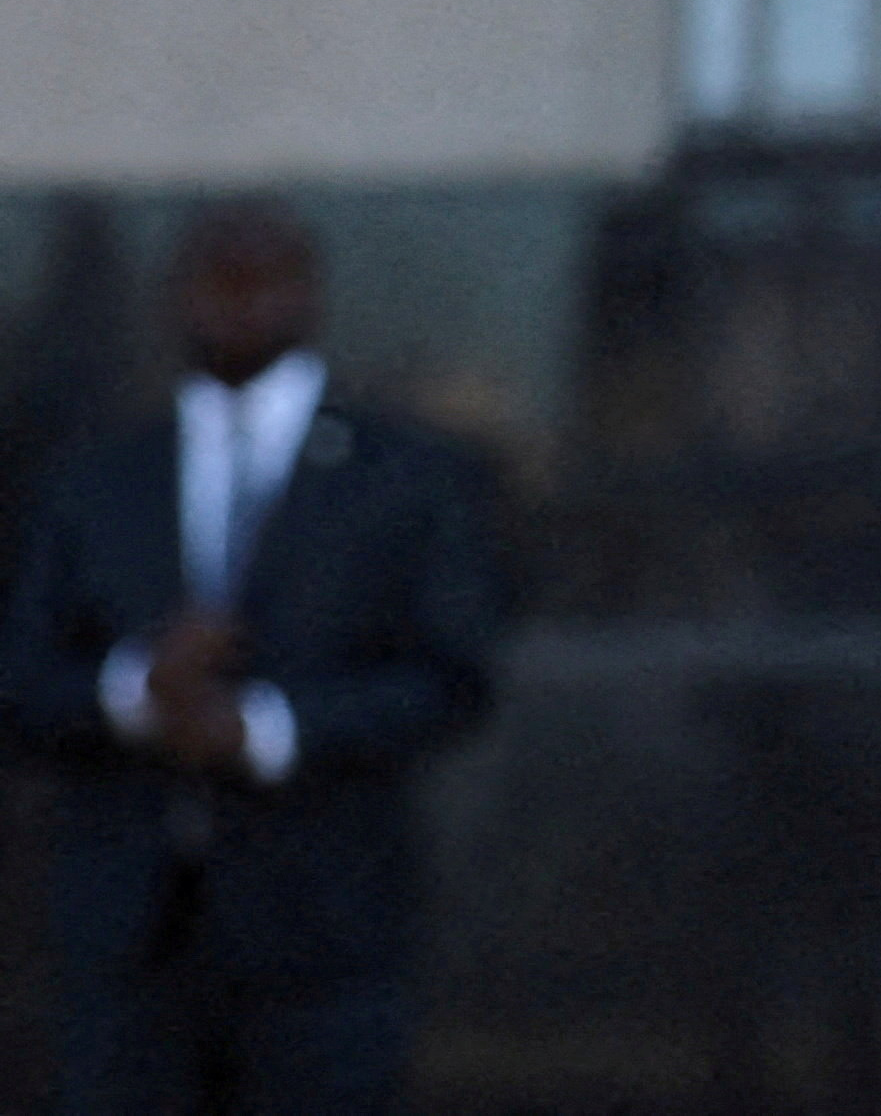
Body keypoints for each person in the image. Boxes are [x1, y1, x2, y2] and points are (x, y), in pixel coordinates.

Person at [5, 201, 506, 1116]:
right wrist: (136, 692)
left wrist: (265, 726)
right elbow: (24, 677)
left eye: (262, 282)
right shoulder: (99, 472)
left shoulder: (403, 473)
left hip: (326, 930)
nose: (238, 307)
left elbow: (453, 677)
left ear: (307, 294)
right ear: (175, 297)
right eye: (214, 282)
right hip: (127, 936)